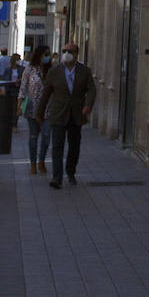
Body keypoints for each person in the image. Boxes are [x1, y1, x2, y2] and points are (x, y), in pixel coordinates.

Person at [36, 42, 95, 190]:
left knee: (74, 145)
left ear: (76, 54)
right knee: (57, 146)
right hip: (58, 114)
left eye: (70, 51)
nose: (67, 53)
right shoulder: (54, 72)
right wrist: (39, 112)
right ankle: (57, 177)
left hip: (76, 114)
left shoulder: (84, 71)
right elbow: (46, 93)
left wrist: (88, 105)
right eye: (64, 50)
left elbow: (92, 90)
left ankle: (71, 171)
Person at [19, 44, 52, 176]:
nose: (47, 57)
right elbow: (23, 87)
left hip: (48, 108)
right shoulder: (29, 69)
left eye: (48, 55)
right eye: (45, 54)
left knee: (46, 135)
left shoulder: (51, 70)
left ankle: (41, 161)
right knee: (33, 136)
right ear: (39, 55)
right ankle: (33, 164)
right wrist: (19, 103)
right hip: (32, 107)